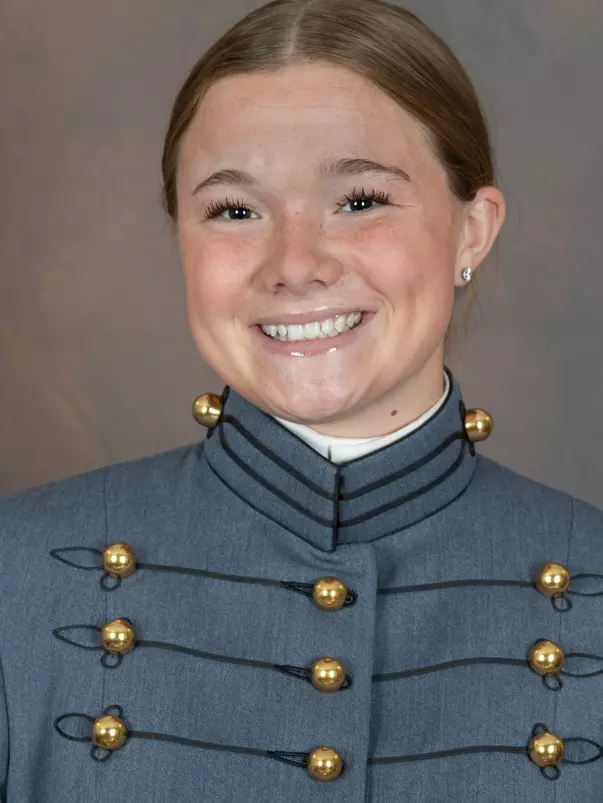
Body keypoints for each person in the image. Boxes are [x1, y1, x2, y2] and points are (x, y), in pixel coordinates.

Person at [1, 0, 602, 800]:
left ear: (472, 229)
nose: (292, 264)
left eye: (359, 201)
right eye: (234, 210)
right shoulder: (16, 572)